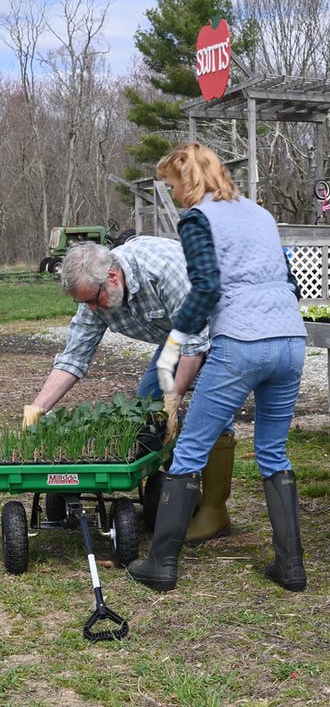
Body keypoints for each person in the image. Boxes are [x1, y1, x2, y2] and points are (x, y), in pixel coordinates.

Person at [128, 142, 307, 594]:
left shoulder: (197, 219)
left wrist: (173, 345)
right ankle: (291, 569)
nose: (170, 194)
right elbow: (291, 282)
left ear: (188, 179)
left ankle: (161, 565)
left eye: (171, 183)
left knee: (189, 451)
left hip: (241, 343)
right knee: (273, 453)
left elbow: (205, 288)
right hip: (291, 340)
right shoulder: (260, 215)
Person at [22, 236, 235, 544]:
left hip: (222, 326)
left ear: (112, 276)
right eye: (85, 303)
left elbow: (196, 346)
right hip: (177, 337)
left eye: (94, 300)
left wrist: (174, 397)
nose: (92, 309)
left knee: (212, 413)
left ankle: (216, 512)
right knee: (147, 406)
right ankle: (186, 495)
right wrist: (38, 407)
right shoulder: (94, 294)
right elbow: (73, 358)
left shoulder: (163, 271)